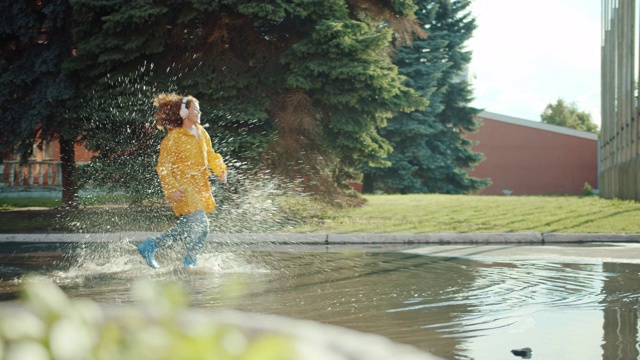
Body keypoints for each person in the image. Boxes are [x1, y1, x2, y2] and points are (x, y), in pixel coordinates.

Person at [137, 93, 227, 269]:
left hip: (201, 187)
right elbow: (163, 167)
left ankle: (151, 245)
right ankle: (190, 261)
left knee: (187, 229)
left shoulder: (202, 133)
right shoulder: (173, 139)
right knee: (202, 225)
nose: (199, 112)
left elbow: (210, 154)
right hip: (184, 189)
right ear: (184, 112)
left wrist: (220, 169)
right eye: (196, 109)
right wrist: (171, 188)